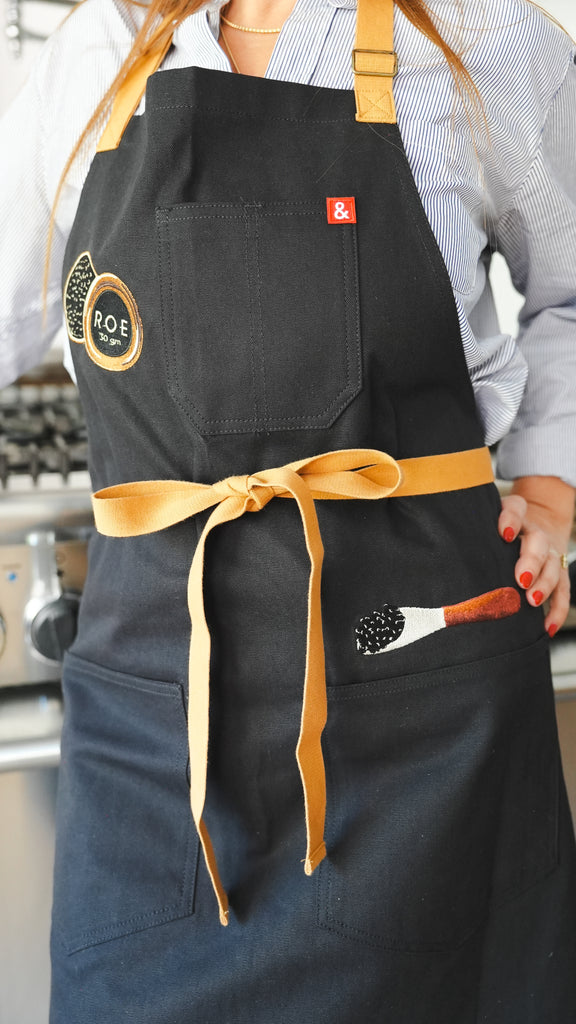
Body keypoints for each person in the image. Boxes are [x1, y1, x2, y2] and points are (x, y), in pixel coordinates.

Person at [1, 0, 576, 1019]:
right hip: (155, 729)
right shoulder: (94, 54)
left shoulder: (485, 36)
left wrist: (551, 483)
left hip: (423, 722)